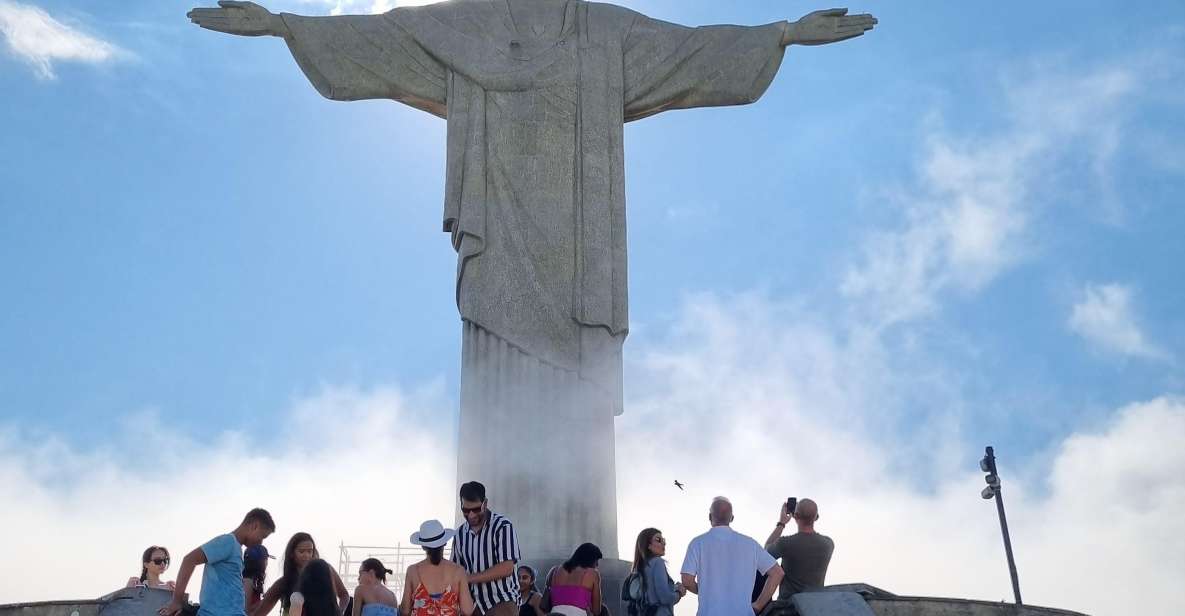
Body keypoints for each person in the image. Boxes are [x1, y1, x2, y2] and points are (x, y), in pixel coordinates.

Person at [159, 508, 276, 616]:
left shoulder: (236, 549)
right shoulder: (228, 542)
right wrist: (176, 601)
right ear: (254, 526)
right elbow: (189, 559)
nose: (261, 542)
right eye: (262, 536)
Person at [680, 497, 783, 616]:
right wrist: (758, 605)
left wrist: (704, 590)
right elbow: (777, 573)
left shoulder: (698, 543)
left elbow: (687, 581)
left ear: (710, 517)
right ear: (732, 518)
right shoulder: (750, 544)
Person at [450, 482, 520, 616]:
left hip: (501, 599)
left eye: (476, 509)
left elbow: (506, 568)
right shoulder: (459, 534)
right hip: (471, 605)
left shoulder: (502, 526)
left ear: (485, 503)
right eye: (465, 510)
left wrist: (468, 578)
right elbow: (455, 569)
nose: (470, 515)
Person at [254, 533, 351, 616]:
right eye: (301, 551)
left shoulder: (325, 570)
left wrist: (340, 611)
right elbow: (260, 612)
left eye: (310, 551)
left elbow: (344, 595)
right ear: (292, 554)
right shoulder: (283, 582)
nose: (307, 555)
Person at [763, 499, 834, 601]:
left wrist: (781, 523)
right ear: (816, 517)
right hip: (814, 604)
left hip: (788, 606)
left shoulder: (785, 543)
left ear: (795, 516)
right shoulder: (828, 544)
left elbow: (766, 552)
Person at [402, 519, 475, 616]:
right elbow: (467, 610)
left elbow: (405, 611)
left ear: (423, 546)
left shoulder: (413, 571)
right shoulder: (458, 571)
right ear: (444, 543)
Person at [630, 530, 684, 616]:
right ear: (648, 545)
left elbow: (652, 594)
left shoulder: (639, 568)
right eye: (658, 540)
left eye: (663, 540)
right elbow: (664, 598)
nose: (663, 543)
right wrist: (679, 592)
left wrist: (673, 588)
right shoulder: (658, 563)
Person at [542, 544, 601, 616]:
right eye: (596, 561)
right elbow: (596, 611)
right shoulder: (593, 574)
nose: (597, 565)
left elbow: (542, 605)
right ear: (590, 559)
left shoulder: (554, 571)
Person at [243, 544, 275, 613]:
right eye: (266, 559)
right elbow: (246, 611)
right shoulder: (247, 581)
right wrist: (267, 597)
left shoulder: (252, 581)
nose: (267, 563)